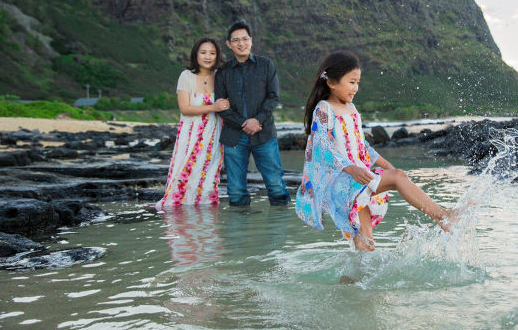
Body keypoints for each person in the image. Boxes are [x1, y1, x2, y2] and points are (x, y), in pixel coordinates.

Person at [296, 50, 461, 251]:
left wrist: (386, 166)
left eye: (358, 82)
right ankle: (443, 216)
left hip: (357, 179)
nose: (356, 88)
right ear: (331, 82)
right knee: (398, 177)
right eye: (351, 82)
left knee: (366, 245)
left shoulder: (351, 108)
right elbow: (323, 147)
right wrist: (353, 169)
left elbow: (363, 146)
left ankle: (352, 281)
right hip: (343, 182)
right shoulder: (324, 108)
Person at [214, 20, 291, 206]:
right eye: (236, 40)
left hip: (264, 133)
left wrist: (257, 120)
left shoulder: (266, 65)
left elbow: (273, 97)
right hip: (234, 137)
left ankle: (278, 227)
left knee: (275, 185)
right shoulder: (223, 72)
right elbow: (221, 106)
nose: (241, 43)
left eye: (245, 39)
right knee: (236, 190)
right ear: (228, 44)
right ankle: (242, 232)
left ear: (251, 40)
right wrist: (244, 123)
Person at [157, 37, 229, 207]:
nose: (208, 57)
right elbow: (185, 108)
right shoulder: (186, 76)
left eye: (212, 53)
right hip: (190, 135)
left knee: (209, 177)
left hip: (213, 135)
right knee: (184, 173)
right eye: (203, 52)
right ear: (196, 55)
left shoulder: (219, 76)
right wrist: (213, 107)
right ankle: (180, 221)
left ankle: (205, 225)